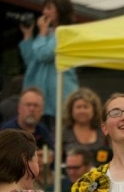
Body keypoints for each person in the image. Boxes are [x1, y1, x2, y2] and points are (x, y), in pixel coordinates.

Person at [19, 0, 79, 131]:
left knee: (58, 135)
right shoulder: (49, 33)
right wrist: (28, 35)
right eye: (44, 8)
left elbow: (44, 54)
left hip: (59, 95)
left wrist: (41, 33)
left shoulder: (66, 32)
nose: (44, 12)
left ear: (60, 10)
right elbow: (32, 61)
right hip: (42, 96)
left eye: (49, 8)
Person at [62, 87, 106, 155]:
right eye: (78, 107)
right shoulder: (62, 133)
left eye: (86, 107)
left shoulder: (104, 132)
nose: (82, 111)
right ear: (71, 110)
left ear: (94, 109)